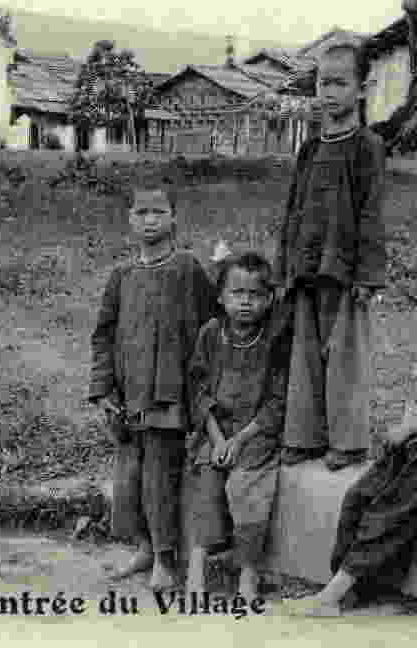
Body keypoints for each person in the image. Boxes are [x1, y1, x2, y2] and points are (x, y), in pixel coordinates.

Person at [278, 263, 417, 618]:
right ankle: (348, 590)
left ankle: (332, 597)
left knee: (386, 515)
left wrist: (408, 430)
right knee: (359, 497)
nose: (412, 311)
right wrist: (407, 431)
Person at [89, 186, 217, 591]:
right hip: (128, 396)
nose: (149, 220)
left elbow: (210, 327)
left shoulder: (187, 269)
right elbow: (103, 335)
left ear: (173, 219)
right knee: (129, 476)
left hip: (168, 394)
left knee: (159, 476)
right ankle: (143, 547)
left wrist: (199, 391)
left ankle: (166, 559)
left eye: (158, 212)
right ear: (129, 220)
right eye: (141, 212)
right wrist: (103, 389)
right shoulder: (121, 276)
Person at [276, 41, 387, 471]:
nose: (329, 92)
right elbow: (293, 209)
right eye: (324, 82)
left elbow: (372, 211)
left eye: (341, 83)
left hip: (345, 271)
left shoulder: (367, 146)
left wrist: (368, 274)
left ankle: (349, 441)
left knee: (344, 356)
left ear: (361, 89)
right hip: (306, 267)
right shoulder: (308, 149)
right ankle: (304, 436)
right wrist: (284, 265)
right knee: (304, 351)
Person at [182, 250, 290, 600]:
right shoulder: (211, 334)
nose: (245, 302)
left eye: (255, 294)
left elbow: (277, 400)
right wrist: (215, 438)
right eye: (237, 293)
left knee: (247, 490)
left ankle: (248, 571)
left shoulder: (272, 340)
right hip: (215, 432)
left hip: (254, 435)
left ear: (269, 298)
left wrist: (241, 439)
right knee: (207, 484)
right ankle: (196, 569)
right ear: (221, 297)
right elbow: (197, 389)